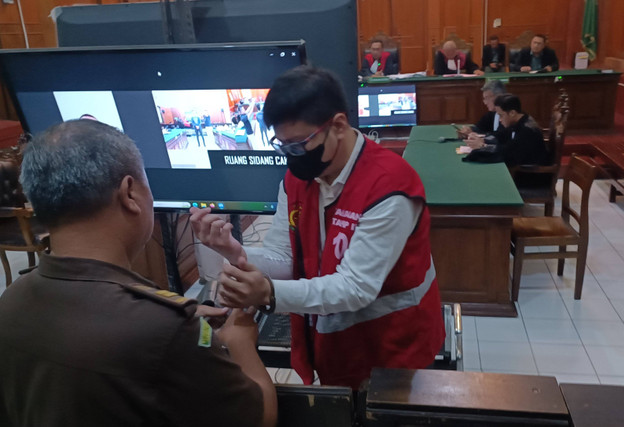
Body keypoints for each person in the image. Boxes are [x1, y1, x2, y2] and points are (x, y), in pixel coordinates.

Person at [0, 120, 277, 427]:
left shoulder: (11, 301)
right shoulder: (165, 330)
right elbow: (259, 417)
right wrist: (239, 339)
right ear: (129, 193)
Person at [189, 66, 445, 390]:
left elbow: (356, 287)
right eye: (281, 146)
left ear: (338, 125)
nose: (291, 158)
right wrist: (234, 251)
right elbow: (285, 257)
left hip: (394, 346)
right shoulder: (299, 179)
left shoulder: (389, 187)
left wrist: (268, 293)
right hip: (333, 340)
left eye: (298, 145)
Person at [465, 93, 549, 168]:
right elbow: (501, 136)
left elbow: (508, 153)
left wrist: (483, 146)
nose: (500, 120)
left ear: (512, 113)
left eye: (501, 116)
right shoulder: (518, 121)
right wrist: (483, 140)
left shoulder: (527, 130)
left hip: (529, 176)